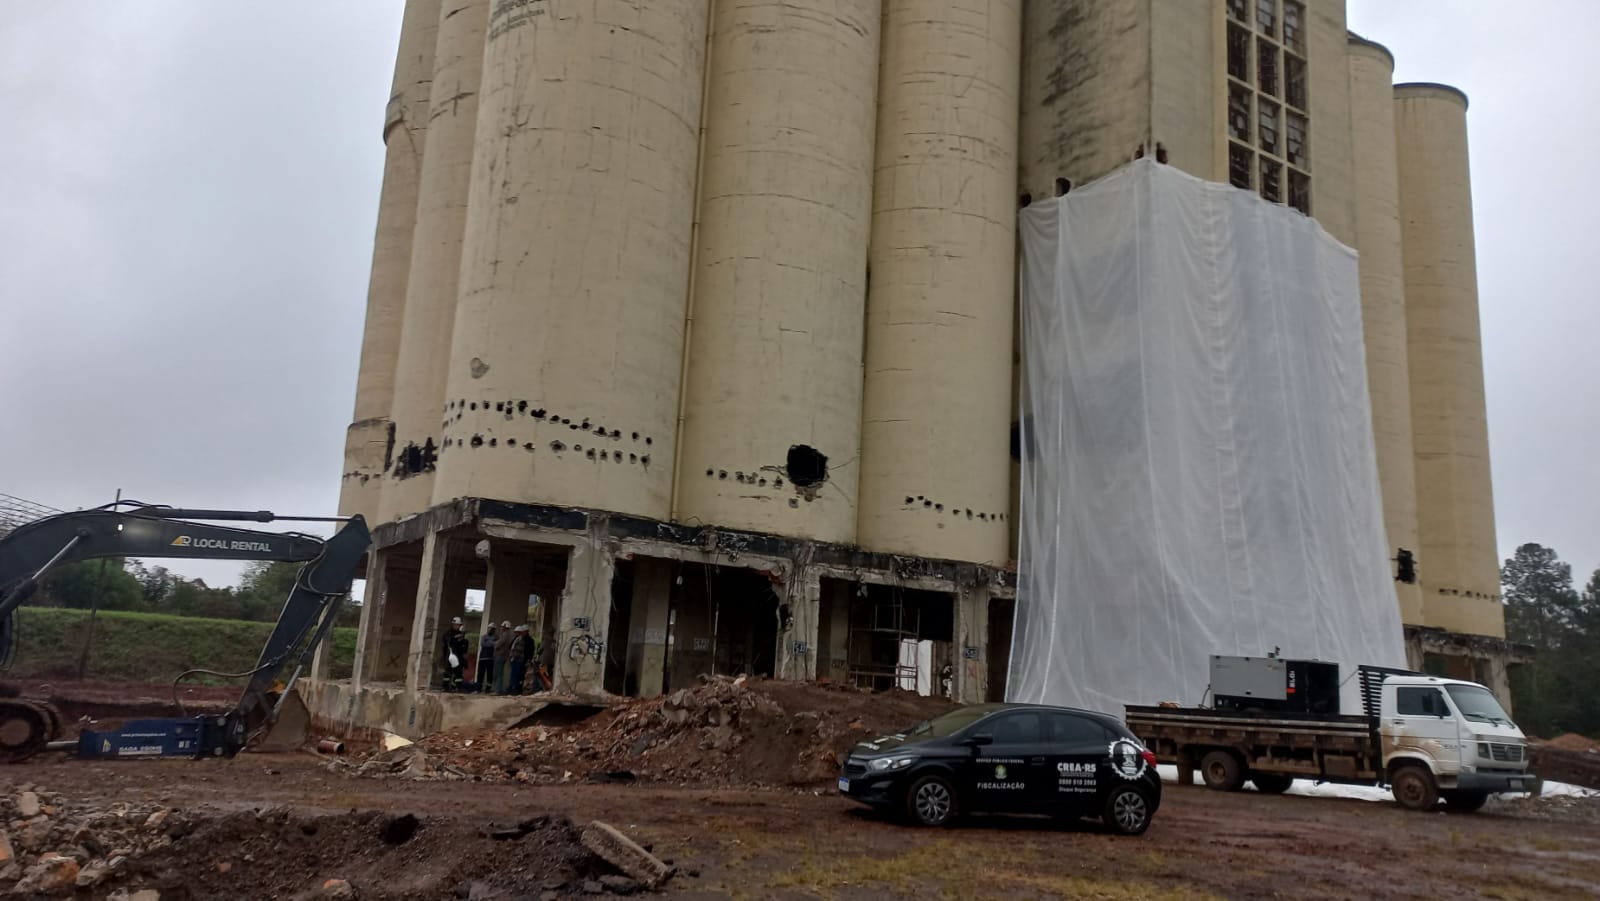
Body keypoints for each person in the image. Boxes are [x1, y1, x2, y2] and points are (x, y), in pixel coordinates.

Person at [441, 616, 469, 692]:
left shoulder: (461, 635)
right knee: (448, 672)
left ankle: (458, 687)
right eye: (456, 625)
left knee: (458, 672)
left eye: (458, 625)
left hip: (458, 655)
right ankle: (445, 687)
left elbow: (463, 648)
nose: (457, 626)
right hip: (451, 654)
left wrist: (464, 660)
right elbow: (446, 643)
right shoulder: (448, 633)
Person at [492, 619, 513, 694]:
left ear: (505, 627)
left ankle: (497, 690)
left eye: (502, 626)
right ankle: (499, 689)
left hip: (500, 655)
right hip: (503, 656)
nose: (501, 628)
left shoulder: (505, 635)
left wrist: (495, 643)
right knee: (499, 673)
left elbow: (498, 644)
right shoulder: (508, 634)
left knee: (498, 673)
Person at [477, 623, 498, 694]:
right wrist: (491, 643)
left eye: (492, 629)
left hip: (491, 658)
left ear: (494, 630)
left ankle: (488, 689)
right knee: (480, 674)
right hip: (482, 658)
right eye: (489, 628)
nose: (490, 630)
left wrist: (489, 642)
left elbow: (495, 645)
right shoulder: (484, 636)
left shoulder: (496, 637)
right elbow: (483, 644)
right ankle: (478, 688)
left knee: (489, 674)